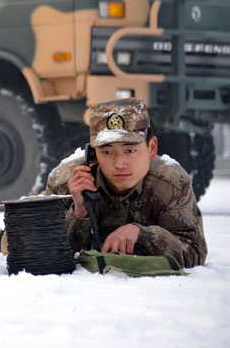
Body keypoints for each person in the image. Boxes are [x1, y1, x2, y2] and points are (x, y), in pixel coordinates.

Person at [40, 97, 206, 268]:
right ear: (92, 153)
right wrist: (80, 211)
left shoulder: (171, 183)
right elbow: (36, 249)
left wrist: (143, 235)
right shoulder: (67, 180)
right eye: (106, 152)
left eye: (130, 150)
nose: (119, 164)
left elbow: (194, 253)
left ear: (152, 148)